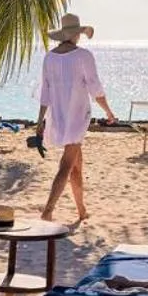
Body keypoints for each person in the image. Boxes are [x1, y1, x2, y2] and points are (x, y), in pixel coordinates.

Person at [35, 12, 117, 223]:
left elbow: (45, 91)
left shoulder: (50, 57)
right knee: (66, 164)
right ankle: (48, 211)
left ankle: (81, 210)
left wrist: (40, 120)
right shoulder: (83, 56)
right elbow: (95, 88)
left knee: (77, 164)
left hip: (59, 116)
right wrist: (108, 111)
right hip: (77, 117)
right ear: (75, 34)